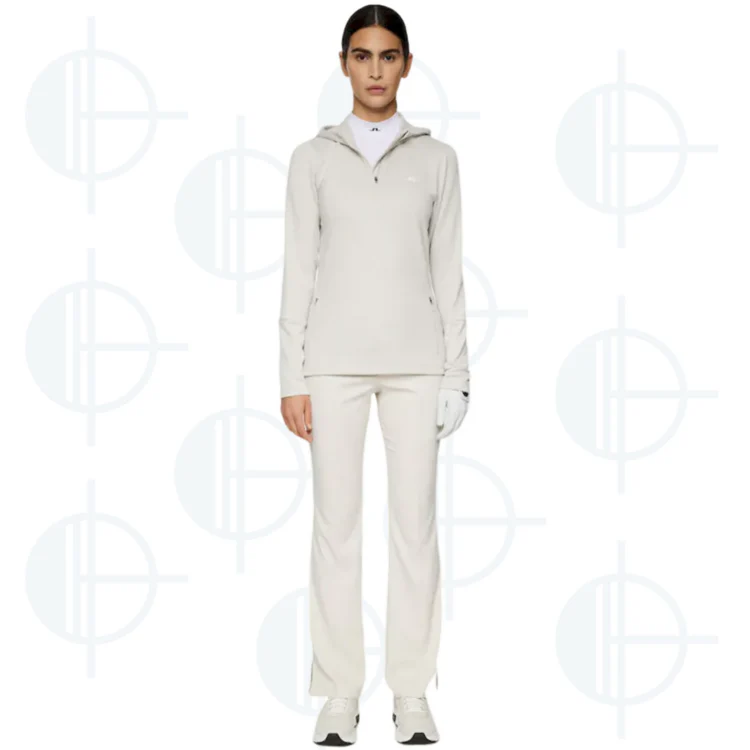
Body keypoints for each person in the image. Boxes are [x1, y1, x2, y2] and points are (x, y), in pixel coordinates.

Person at [278, 4, 470, 745]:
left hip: (418, 367)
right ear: (343, 63)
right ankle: (339, 692)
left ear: (407, 65)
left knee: (415, 529)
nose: (376, 70)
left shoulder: (437, 160)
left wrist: (457, 375)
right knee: (336, 529)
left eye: (389, 56)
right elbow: (298, 270)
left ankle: (411, 692)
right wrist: (291, 376)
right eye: (362, 56)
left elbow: (449, 271)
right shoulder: (313, 159)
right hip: (331, 368)